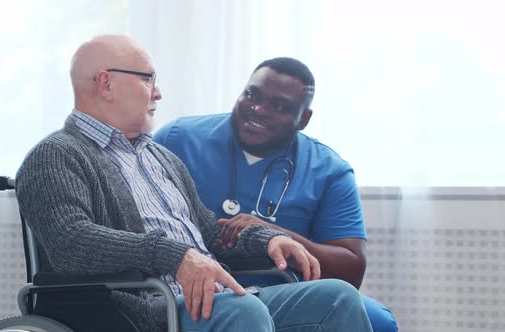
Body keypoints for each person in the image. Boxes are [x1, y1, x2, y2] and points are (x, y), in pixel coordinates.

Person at [15, 35, 373, 332]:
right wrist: (175, 256)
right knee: (243, 311)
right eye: (148, 79)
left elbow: (208, 232)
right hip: (142, 307)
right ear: (106, 82)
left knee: (337, 297)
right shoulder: (56, 155)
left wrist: (272, 239)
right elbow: (71, 242)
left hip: (211, 299)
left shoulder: (160, 157)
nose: (158, 94)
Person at [153, 57, 398, 332]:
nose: (258, 110)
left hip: (280, 289)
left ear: (303, 119)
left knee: (377, 320)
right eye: (251, 95)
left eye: (279, 106)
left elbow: (350, 270)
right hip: (195, 285)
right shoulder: (177, 139)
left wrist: (274, 233)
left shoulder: (328, 169)